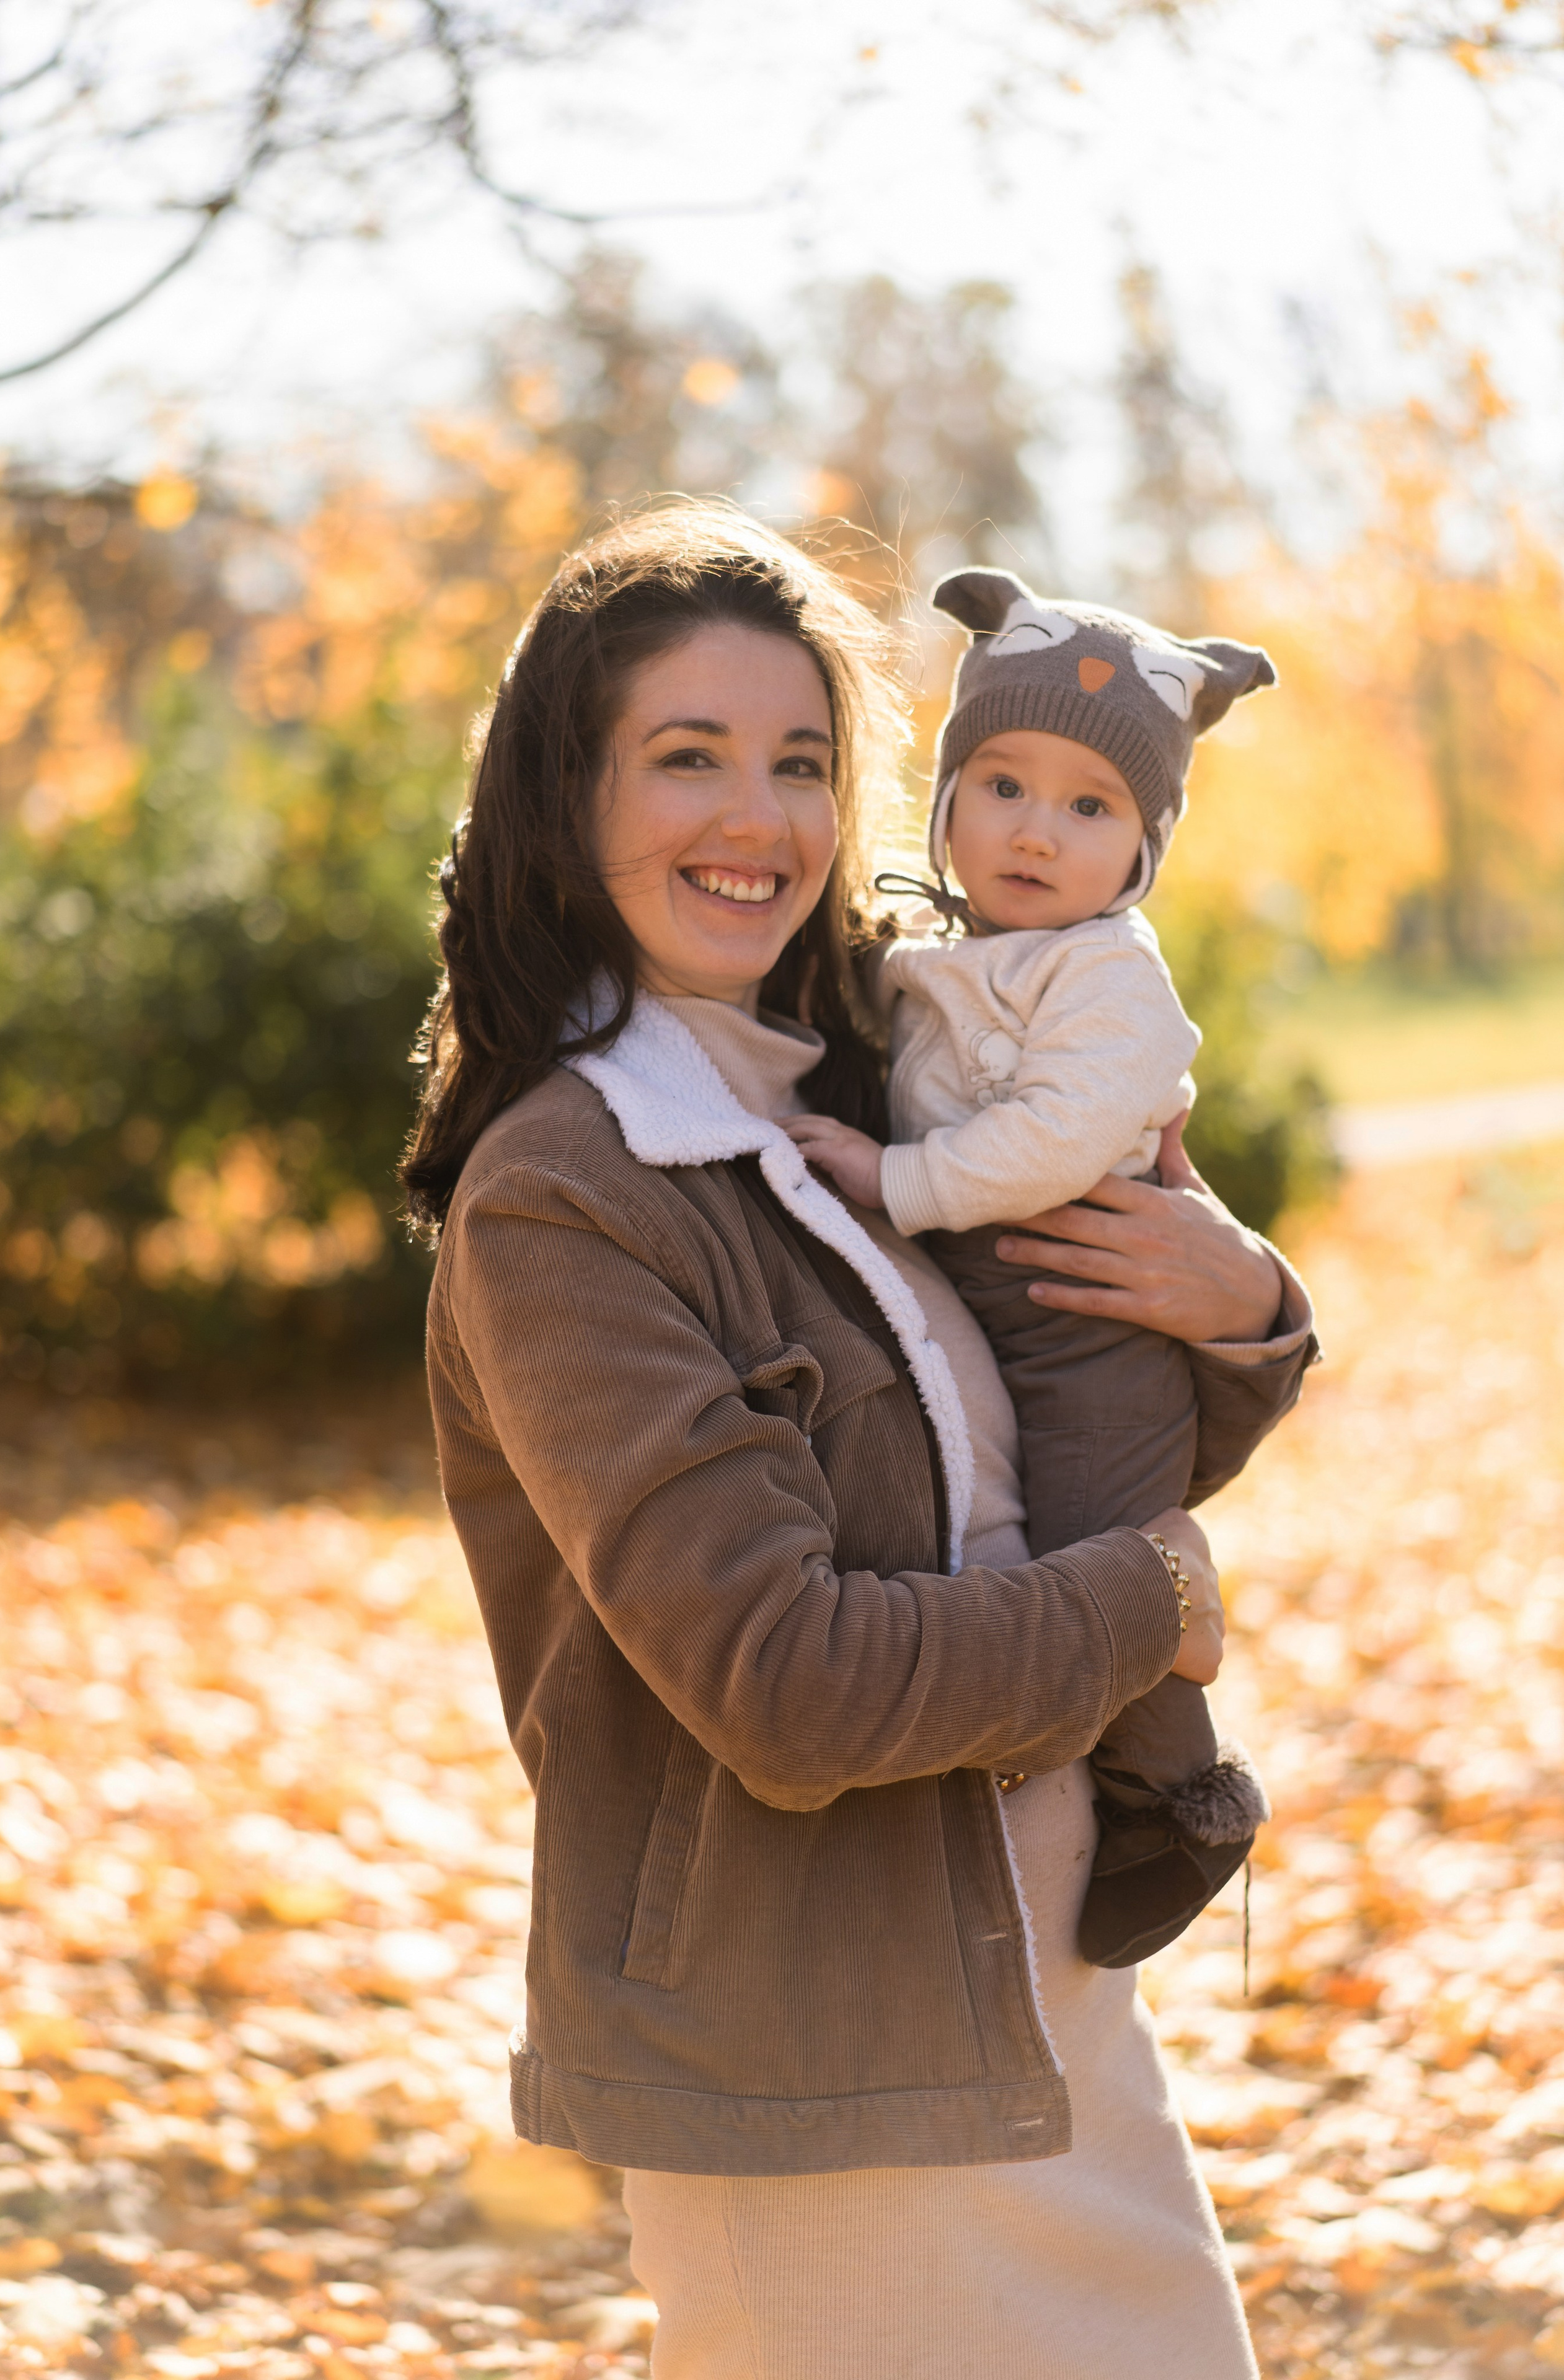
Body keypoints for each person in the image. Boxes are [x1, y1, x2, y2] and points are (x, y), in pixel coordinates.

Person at [402, 500, 1319, 2380]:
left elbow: (1053, 1455)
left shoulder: (867, 1087)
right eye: (689, 757)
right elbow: (790, 1686)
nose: (759, 818)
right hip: (814, 2050)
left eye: (803, 762)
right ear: (566, 796)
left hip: (1029, 1969)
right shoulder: (569, 1193)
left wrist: (1241, 1302)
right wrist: (1147, 1608)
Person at [783, 569, 1278, 1972]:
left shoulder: (1109, 977)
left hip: (1089, 1327)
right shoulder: (945, 953)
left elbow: (1054, 1140)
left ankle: (1176, 1803)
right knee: (1037, 1546)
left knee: (1099, 1556)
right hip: (1007, 1304)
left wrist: (895, 1179)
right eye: (1000, 785)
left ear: (1142, 851)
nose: (1034, 830)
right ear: (946, 800)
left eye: (1089, 808)